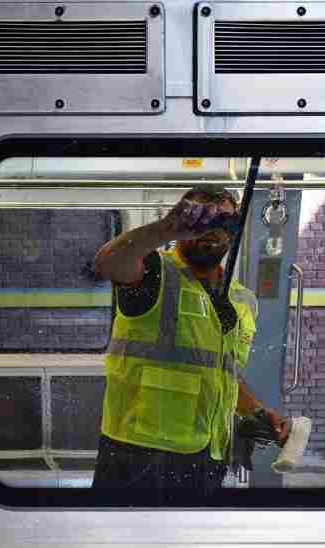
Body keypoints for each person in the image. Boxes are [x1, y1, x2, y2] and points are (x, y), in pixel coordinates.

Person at [91, 184, 287, 494]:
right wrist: (167, 228)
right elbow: (108, 263)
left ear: (234, 231)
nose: (211, 230)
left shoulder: (242, 299)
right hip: (139, 454)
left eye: (223, 222)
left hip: (208, 455)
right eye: (200, 219)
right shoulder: (154, 272)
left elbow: (222, 373)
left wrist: (257, 413)